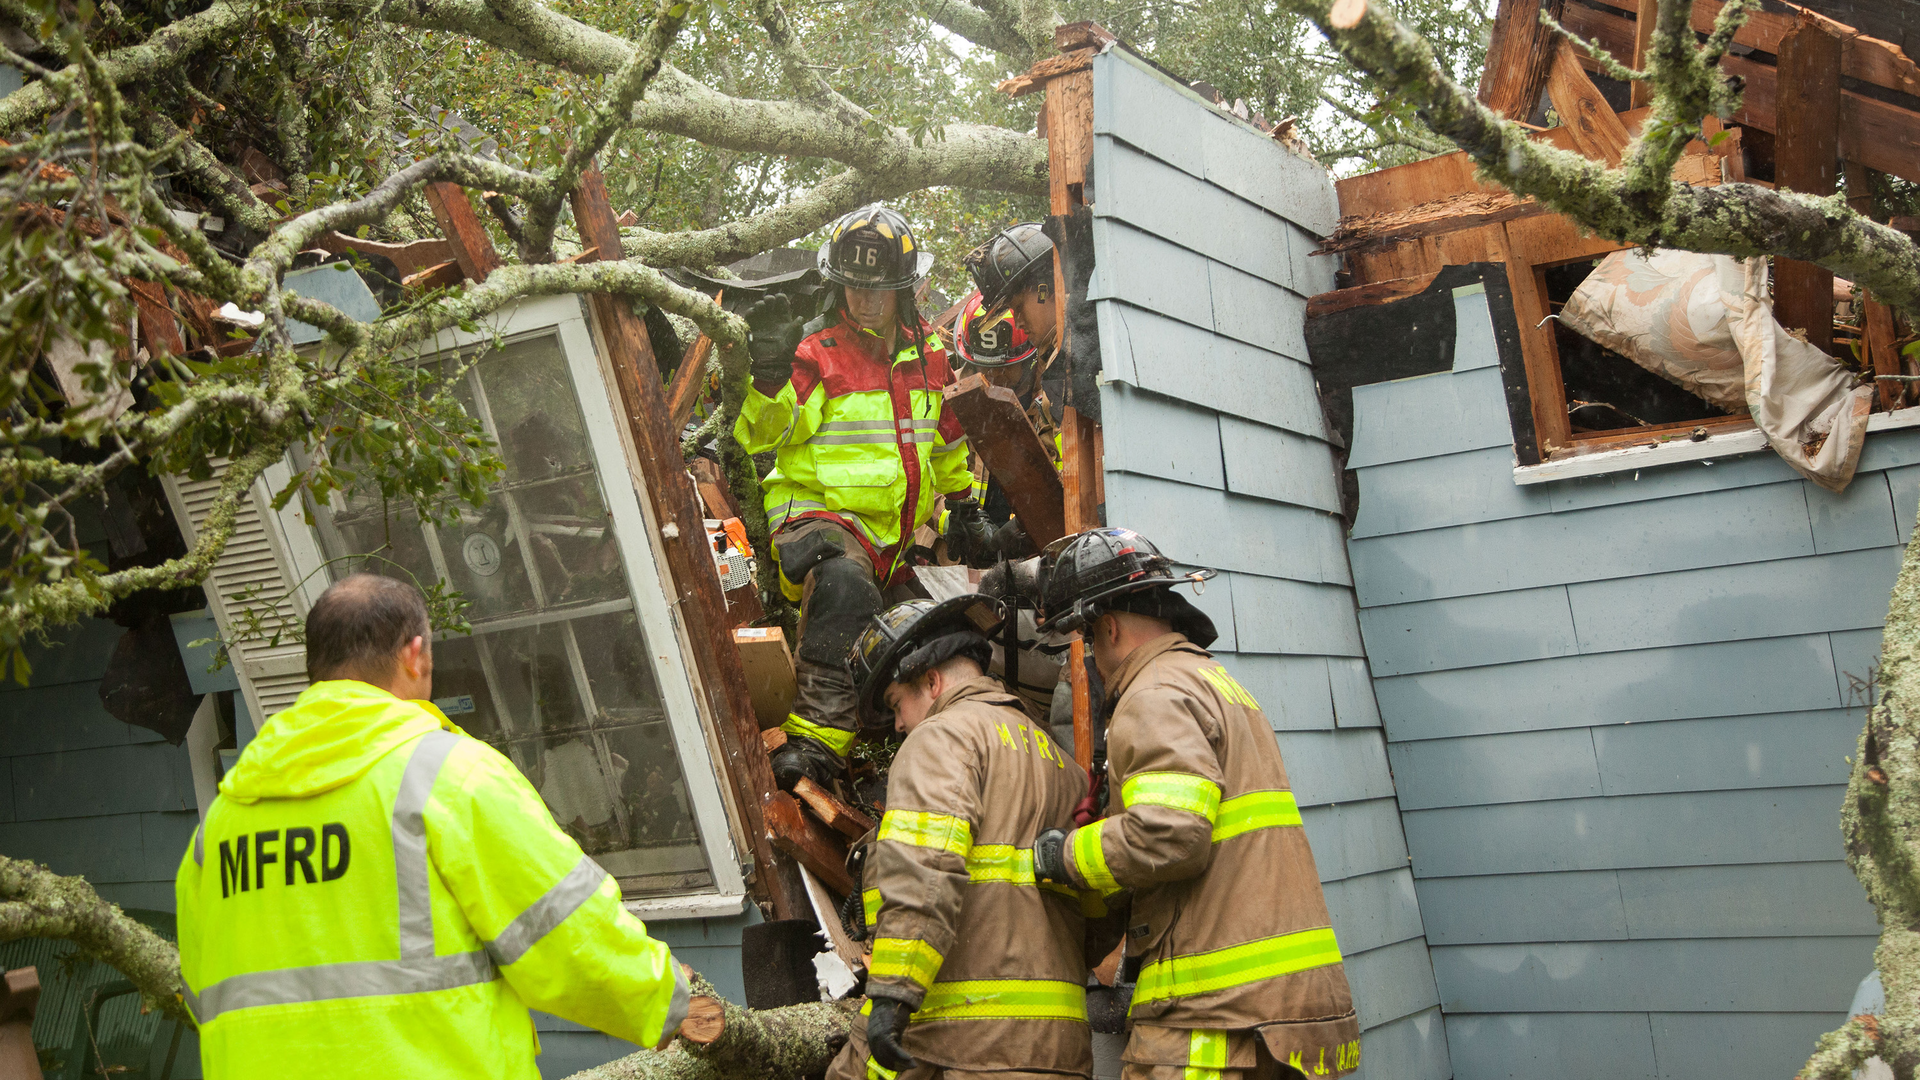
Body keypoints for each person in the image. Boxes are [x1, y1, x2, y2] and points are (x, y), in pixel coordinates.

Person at [175, 573, 689, 1079]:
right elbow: (562, 929)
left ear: (318, 666)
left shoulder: (221, 823)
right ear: (415, 653)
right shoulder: (447, 777)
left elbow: (204, 994)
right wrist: (660, 996)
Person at [1031, 529, 1362, 1080]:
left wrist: (1063, 855)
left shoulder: (1152, 694)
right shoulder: (1216, 684)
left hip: (1214, 1019)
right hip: (1286, 1018)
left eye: (1087, 639)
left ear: (1108, 627)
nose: (1090, 659)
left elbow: (1170, 834)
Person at [735, 203, 991, 790]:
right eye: (855, 287)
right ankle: (816, 742)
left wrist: (967, 505)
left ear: (906, 290)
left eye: (880, 290)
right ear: (838, 284)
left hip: (890, 542)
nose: (866, 301)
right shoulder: (817, 353)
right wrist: (768, 377)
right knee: (848, 588)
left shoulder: (929, 356)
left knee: (931, 633)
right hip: (816, 523)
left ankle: (922, 752)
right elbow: (762, 433)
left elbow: (946, 441)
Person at [829, 595, 1101, 1080]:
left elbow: (924, 874)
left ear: (931, 681)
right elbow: (1101, 912)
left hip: (967, 1049)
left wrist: (893, 992)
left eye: (896, 704)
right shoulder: (1062, 764)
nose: (898, 724)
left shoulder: (940, 738)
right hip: (1061, 1050)